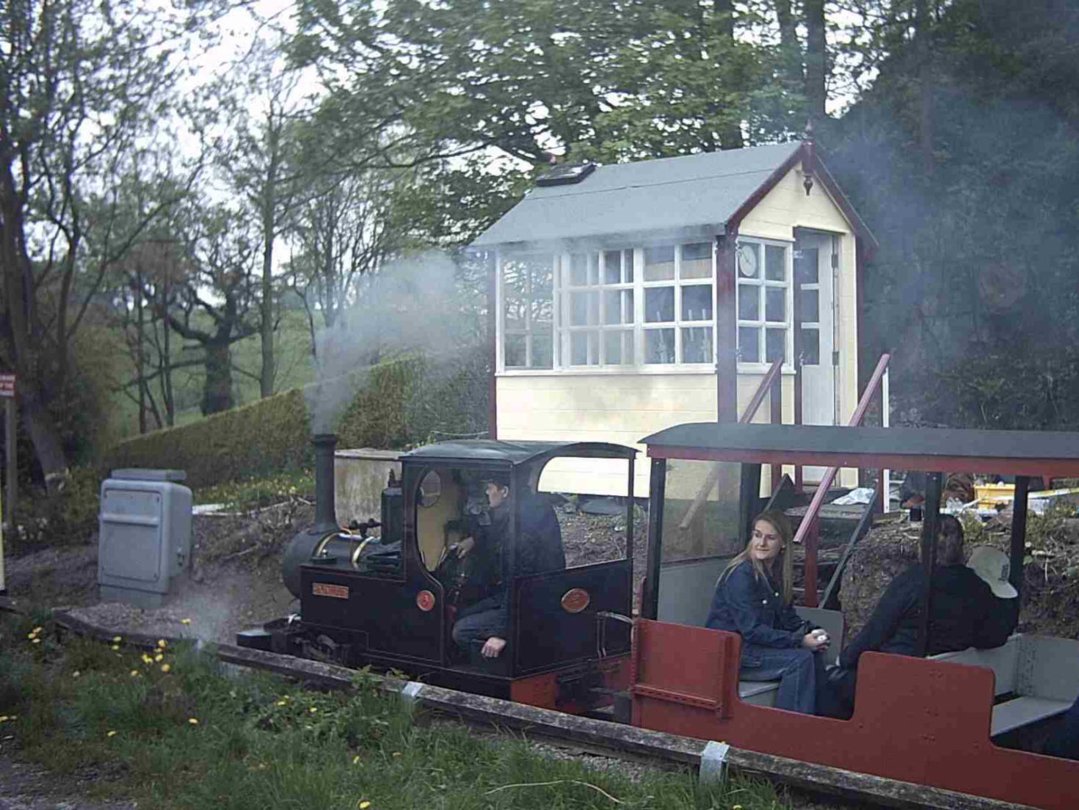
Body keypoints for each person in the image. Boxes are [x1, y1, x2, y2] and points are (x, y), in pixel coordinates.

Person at [827, 516, 1015, 717]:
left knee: (830, 682)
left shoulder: (913, 582)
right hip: (950, 684)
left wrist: (843, 660)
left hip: (899, 680)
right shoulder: (978, 588)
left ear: (923, 545)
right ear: (962, 546)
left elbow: (876, 631)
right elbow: (993, 636)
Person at [706, 510, 831, 715]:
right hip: (735, 653)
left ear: (782, 543)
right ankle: (789, 730)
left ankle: (823, 720)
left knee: (813, 654)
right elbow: (752, 630)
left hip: (756, 649)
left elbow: (788, 618)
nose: (761, 543)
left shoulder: (776, 574)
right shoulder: (741, 574)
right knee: (799, 661)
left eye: (770, 537)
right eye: (757, 535)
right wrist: (799, 641)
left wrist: (814, 632)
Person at [450, 470, 564, 661]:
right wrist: (473, 540)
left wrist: (500, 633)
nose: (487, 493)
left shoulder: (521, 529)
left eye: (490, 488)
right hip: (532, 593)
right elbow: (496, 532)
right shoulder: (525, 508)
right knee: (464, 610)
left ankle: (494, 673)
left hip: (531, 602)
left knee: (460, 631)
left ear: (504, 491)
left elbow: (519, 584)